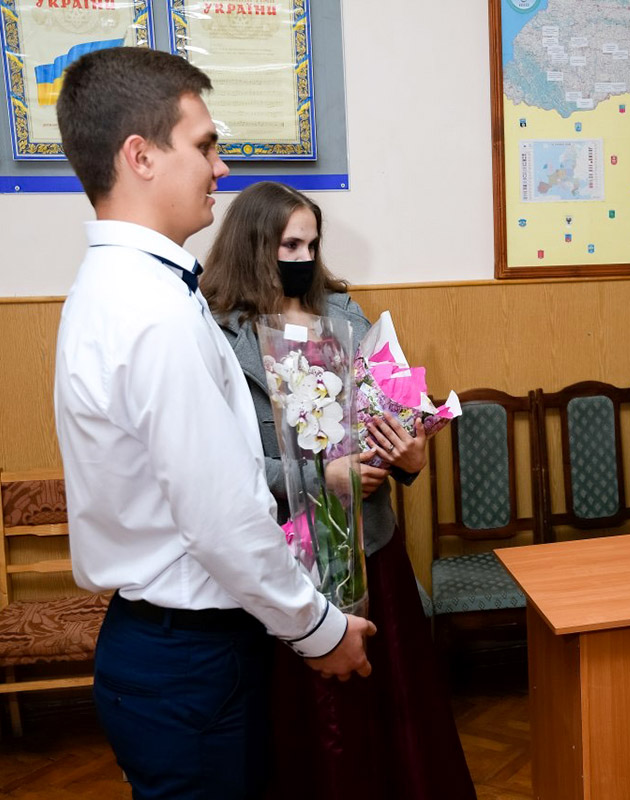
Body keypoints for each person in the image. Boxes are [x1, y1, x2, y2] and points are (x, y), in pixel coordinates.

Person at [53, 48, 375, 800]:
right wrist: (318, 629)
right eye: (204, 146)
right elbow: (220, 514)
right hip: (187, 655)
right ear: (140, 156)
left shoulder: (128, 286)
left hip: (170, 643)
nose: (220, 168)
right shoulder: (150, 310)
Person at [201, 181, 476, 799]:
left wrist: (410, 455)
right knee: (308, 727)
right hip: (283, 560)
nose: (303, 258)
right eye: (289, 246)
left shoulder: (346, 315)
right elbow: (223, 465)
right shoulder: (219, 335)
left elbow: (391, 413)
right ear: (253, 247)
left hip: (371, 548)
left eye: (311, 244)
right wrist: (316, 478)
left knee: (394, 716)